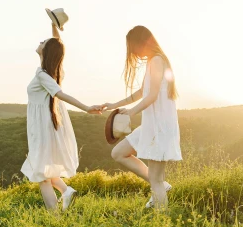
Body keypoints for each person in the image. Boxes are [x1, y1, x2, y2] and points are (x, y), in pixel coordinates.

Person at [21, 17, 101, 211]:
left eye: (44, 42)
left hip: (42, 128)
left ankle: (55, 217)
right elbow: (58, 46)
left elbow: (60, 94)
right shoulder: (54, 71)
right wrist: (54, 25)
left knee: (42, 175)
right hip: (46, 125)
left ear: (46, 51)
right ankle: (66, 191)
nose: (40, 42)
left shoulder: (43, 76)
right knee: (44, 167)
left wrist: (86, 108)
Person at [102, 26, 182, 211]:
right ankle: (162, 186)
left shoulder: (157, 60)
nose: (133, 51)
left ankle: (161, 221)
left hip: (159, 127)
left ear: (141, 42)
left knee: (155, 179)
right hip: (151, 126)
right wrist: (114, 105)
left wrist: (131, 112)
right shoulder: (152, 62)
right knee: (119, 153)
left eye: (133, 46)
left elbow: (152, 95)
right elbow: (141, 92)